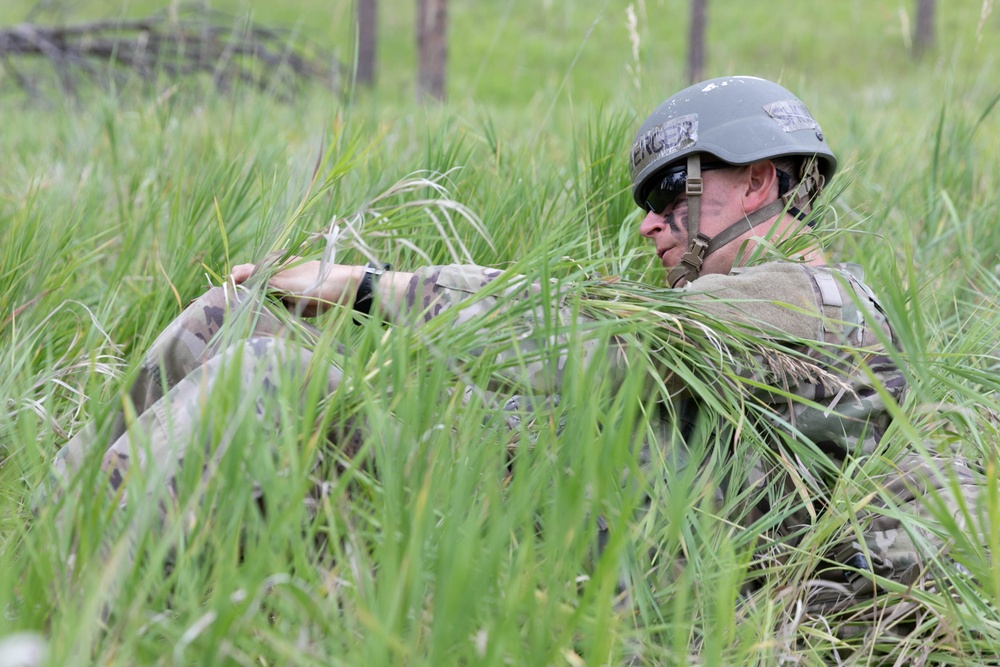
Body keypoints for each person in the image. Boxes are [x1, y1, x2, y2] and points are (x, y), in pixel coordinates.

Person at [53, 76, 980, 618]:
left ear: (765, 182)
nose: (653, 224)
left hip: (599, 530)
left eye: (675, 191)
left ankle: (79, 612)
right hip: (534, 463)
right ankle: (51, 547)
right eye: (645, 203)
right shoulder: (727, 298)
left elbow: (590, 337)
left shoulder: (822, 300)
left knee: (268, 375)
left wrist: (371, 290)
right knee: (235, 317)